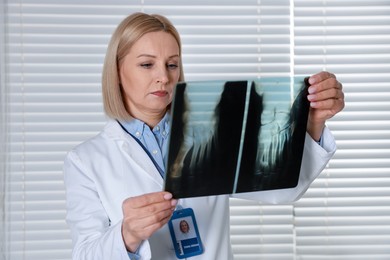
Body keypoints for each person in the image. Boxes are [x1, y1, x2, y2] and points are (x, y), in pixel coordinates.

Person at [63, 12, 345, 260]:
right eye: (147, 64)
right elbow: (85, 253)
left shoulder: (211, 133)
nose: (163, 76)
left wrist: (313, 122)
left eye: (171, 64)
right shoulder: (86, 160)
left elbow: (283, 190)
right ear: (118, 71)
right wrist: (127, 234)